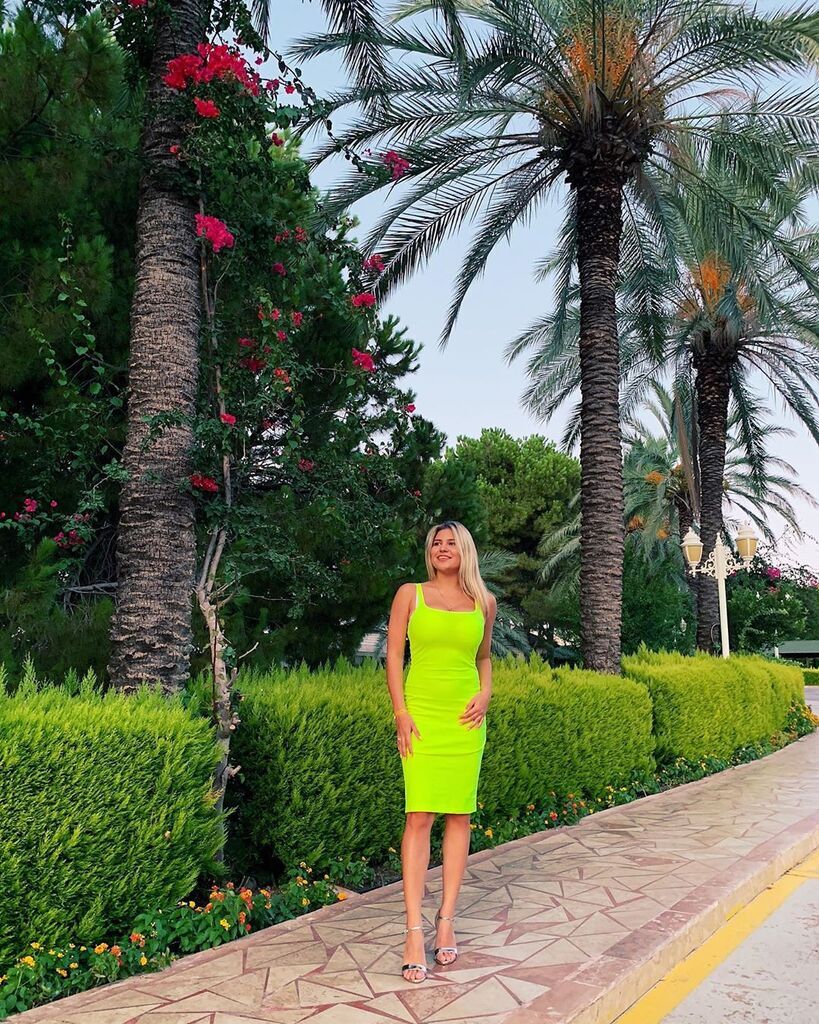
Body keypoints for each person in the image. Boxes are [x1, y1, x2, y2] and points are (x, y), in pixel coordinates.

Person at [385, 520, 497, 984]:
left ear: (464, 550)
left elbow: (483, 658)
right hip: (423, 717)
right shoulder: (409, 595)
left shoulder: (484, 601)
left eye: (451, 543)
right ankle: (414, 930)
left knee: (459, 816)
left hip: (465, 721)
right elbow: (394, 656)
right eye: (436, 543)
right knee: (419, 815)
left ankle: (446, 920)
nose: (442, 548)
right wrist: (401, 712)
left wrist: (486, 694)